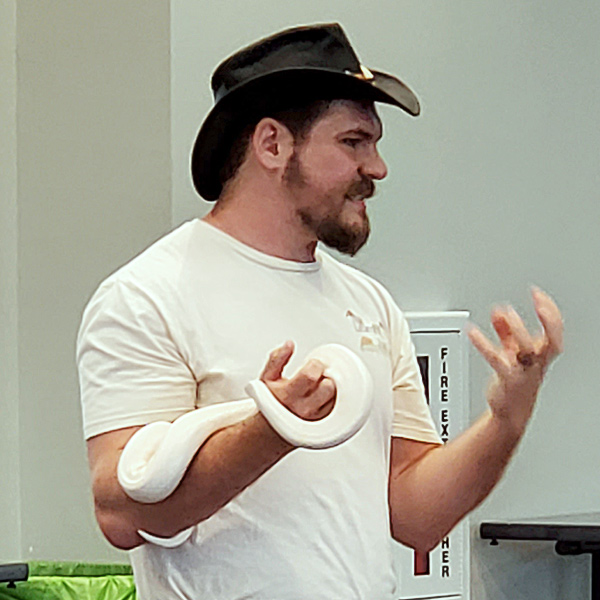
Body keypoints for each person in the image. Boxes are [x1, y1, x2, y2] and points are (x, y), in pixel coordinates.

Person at [77, 23, 563, 600]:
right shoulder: (146, 296)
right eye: (354, 142)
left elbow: (415, 516)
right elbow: (122, 517)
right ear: (273, 145)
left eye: (375, 145)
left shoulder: (370, 304)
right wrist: (273, 430)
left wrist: (507, 419)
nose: (377, 168)